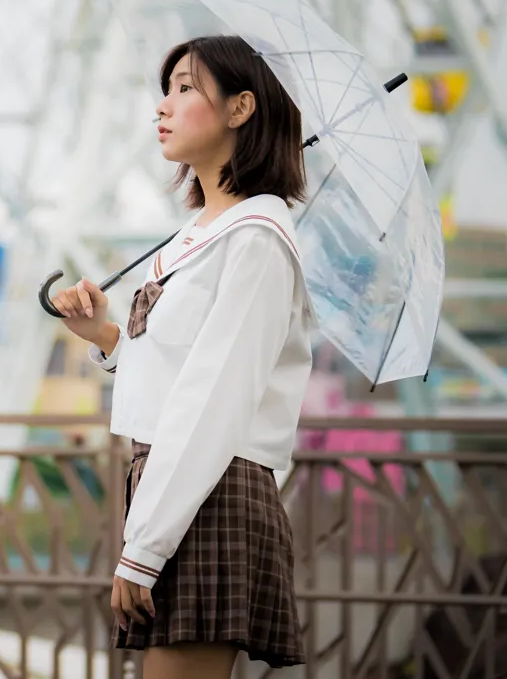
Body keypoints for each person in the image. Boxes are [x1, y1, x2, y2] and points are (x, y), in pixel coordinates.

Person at [49, 34, 312, 677]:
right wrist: (108, 338)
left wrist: (143, 549)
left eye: (186, 88)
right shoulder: (203, 236)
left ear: (241, 108)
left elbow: (213, 401)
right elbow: (177, 376)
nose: (163, 106)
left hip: (208, 490)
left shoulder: (257, 238)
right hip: (178, 489)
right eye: (165, 89)